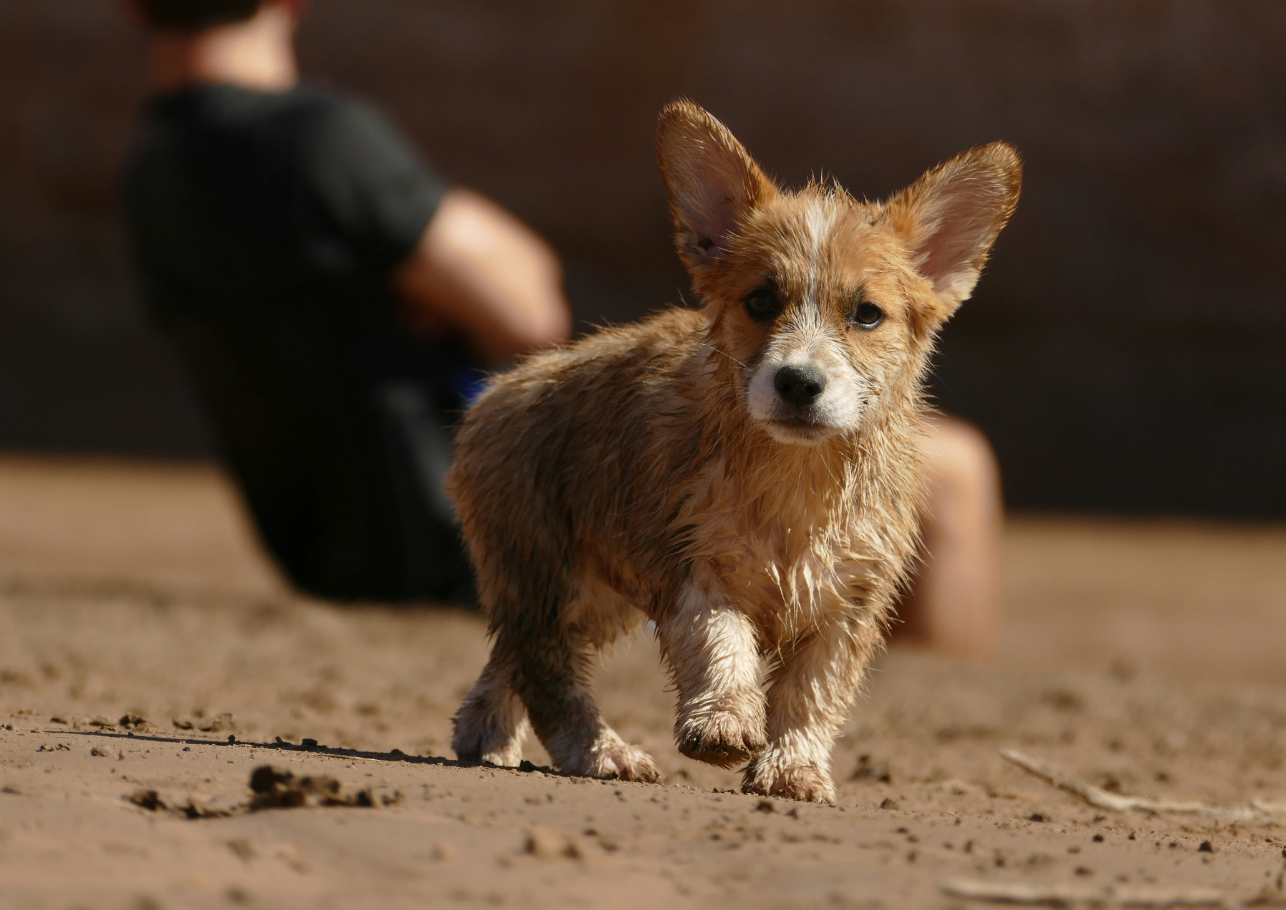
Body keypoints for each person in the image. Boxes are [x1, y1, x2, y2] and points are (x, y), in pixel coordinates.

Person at [123, 0, 1002, 657]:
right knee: (952, 468)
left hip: (327, 537)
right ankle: (940, 704)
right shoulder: (317, 138)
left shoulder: (150, 171)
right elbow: (522, 303)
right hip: (491, 515)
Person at [123, 0, 571, 603]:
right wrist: (438, 294)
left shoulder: (149, 175)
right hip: (474, 540)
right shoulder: (320, 137)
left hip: (320, 559)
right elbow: (530, 314)